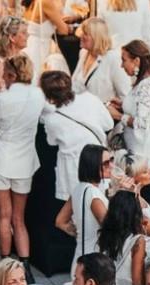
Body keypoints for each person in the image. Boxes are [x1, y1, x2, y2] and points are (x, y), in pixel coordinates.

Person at [0, 54, 44, 273]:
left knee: (4, 216)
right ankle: (25, 265)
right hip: (25, 160)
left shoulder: (3, 98)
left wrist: (0, 92)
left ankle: (6, 262)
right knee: (19, 218)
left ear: (11, 74)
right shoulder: (38, 95)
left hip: (2, 159)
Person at [39, 70, 114, 206]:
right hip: (97, 160)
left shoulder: (52, 119)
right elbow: (109, 123)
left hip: (73, 169)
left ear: (49, 96)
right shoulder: (90, 98)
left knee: (76, 209)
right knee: (100, 202)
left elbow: (51, 141)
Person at [110, 40, 150, 168]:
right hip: (135, 147)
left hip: (143, 152)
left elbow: (143, 123)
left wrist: (118, 116)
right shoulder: (142, 83)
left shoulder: (148, 85)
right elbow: (139, 108)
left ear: (136, 61)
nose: (122, 65)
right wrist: (123, 106)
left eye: (124, 60)